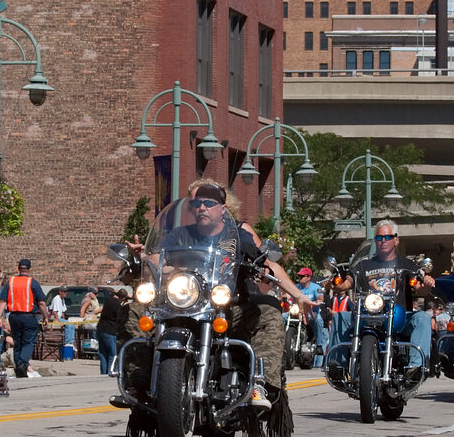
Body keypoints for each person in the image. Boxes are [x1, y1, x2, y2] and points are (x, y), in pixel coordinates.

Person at [118, 181, 313, 424]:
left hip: (228, 306)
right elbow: (158, 258)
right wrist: (143, 258)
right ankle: (137, 382)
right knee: (134, 309)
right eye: (196, 203)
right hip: (183, 303)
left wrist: (298, 295)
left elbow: (268, 264)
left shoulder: (238, 234)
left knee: (268, 312)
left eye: (208, 203)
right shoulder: (180, 235)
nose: (201, 207)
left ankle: (261, 384)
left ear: (223, 208)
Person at [342, 219, 436, 380]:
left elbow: (420, 289)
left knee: (422, 317)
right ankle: (338, 364)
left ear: (396, 240)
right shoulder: (363, 266)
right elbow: (347, 282)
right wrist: (335, 285)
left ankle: (416, 365)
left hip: (399, 317)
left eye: (387, 237)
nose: (383, 241)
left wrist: (427, 283)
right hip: (368, 316)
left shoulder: (406, 264)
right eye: (379, 238)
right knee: (340, 317)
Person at [0, 259, 50, 377]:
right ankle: (23, 364)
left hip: (14, 316)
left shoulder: (11, 282)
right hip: (29, 316)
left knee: (18, 342)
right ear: (29, 269)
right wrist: (45, 316)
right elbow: (41, 303)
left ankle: (19, 367)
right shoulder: (32, 283)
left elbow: (3, 301)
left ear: (18, 269)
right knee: (28, 342)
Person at [294, 266, 328, 368]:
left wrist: (318, 301)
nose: (299, 278)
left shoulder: (316, 287)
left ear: (308, 277)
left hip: (311, 313)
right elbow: (287, 294)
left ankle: (319, 346)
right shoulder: (296, 287)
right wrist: (282, 298)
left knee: (318, 320)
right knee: (283, 317)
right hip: (298, 313)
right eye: (299, 276)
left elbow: (320, 298)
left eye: (302, 276)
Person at [95, 289, 125, 376]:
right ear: (122, 298)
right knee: (113, 354)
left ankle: (103, 373)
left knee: (103, 353)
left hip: (101, 329)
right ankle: (110, 371)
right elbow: (120, 317)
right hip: (110, 331)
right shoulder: (116, 304)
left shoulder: (108, 300)